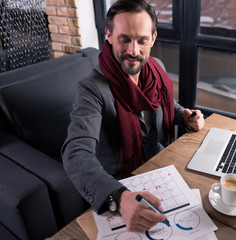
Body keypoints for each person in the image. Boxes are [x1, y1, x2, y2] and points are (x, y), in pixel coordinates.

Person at [61, 0, 204, 232]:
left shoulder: (156, 67)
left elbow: (167, 105)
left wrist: (185, 116)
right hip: (119, 182)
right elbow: (75, 153)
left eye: (142, 41)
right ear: (108, 35)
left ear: (153, 39)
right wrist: (117, 197)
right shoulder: (91, 87)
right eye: (124, 39)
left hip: (160, 165)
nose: (133, 51)